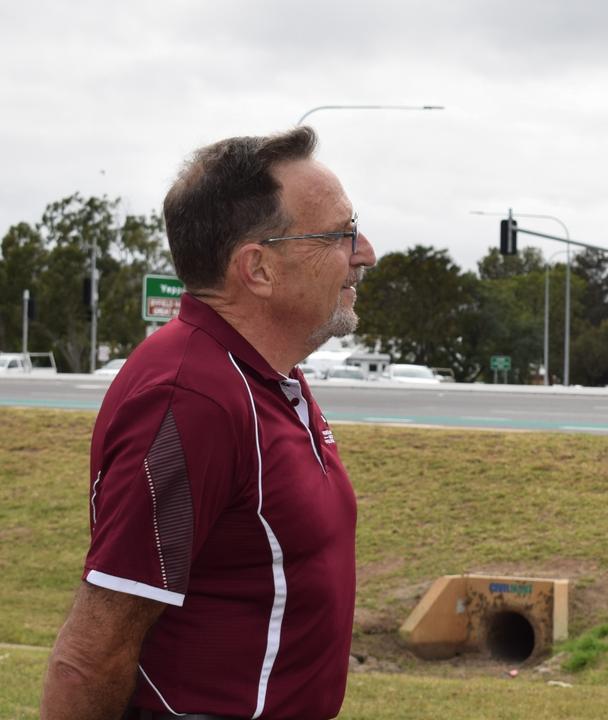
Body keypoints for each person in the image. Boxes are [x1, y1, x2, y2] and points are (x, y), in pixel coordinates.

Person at [42, 126, 377, 719]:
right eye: (340, 235)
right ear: (259, 268)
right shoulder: (190, 399)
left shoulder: (265, 376)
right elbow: (94, 649)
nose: (366, 252)